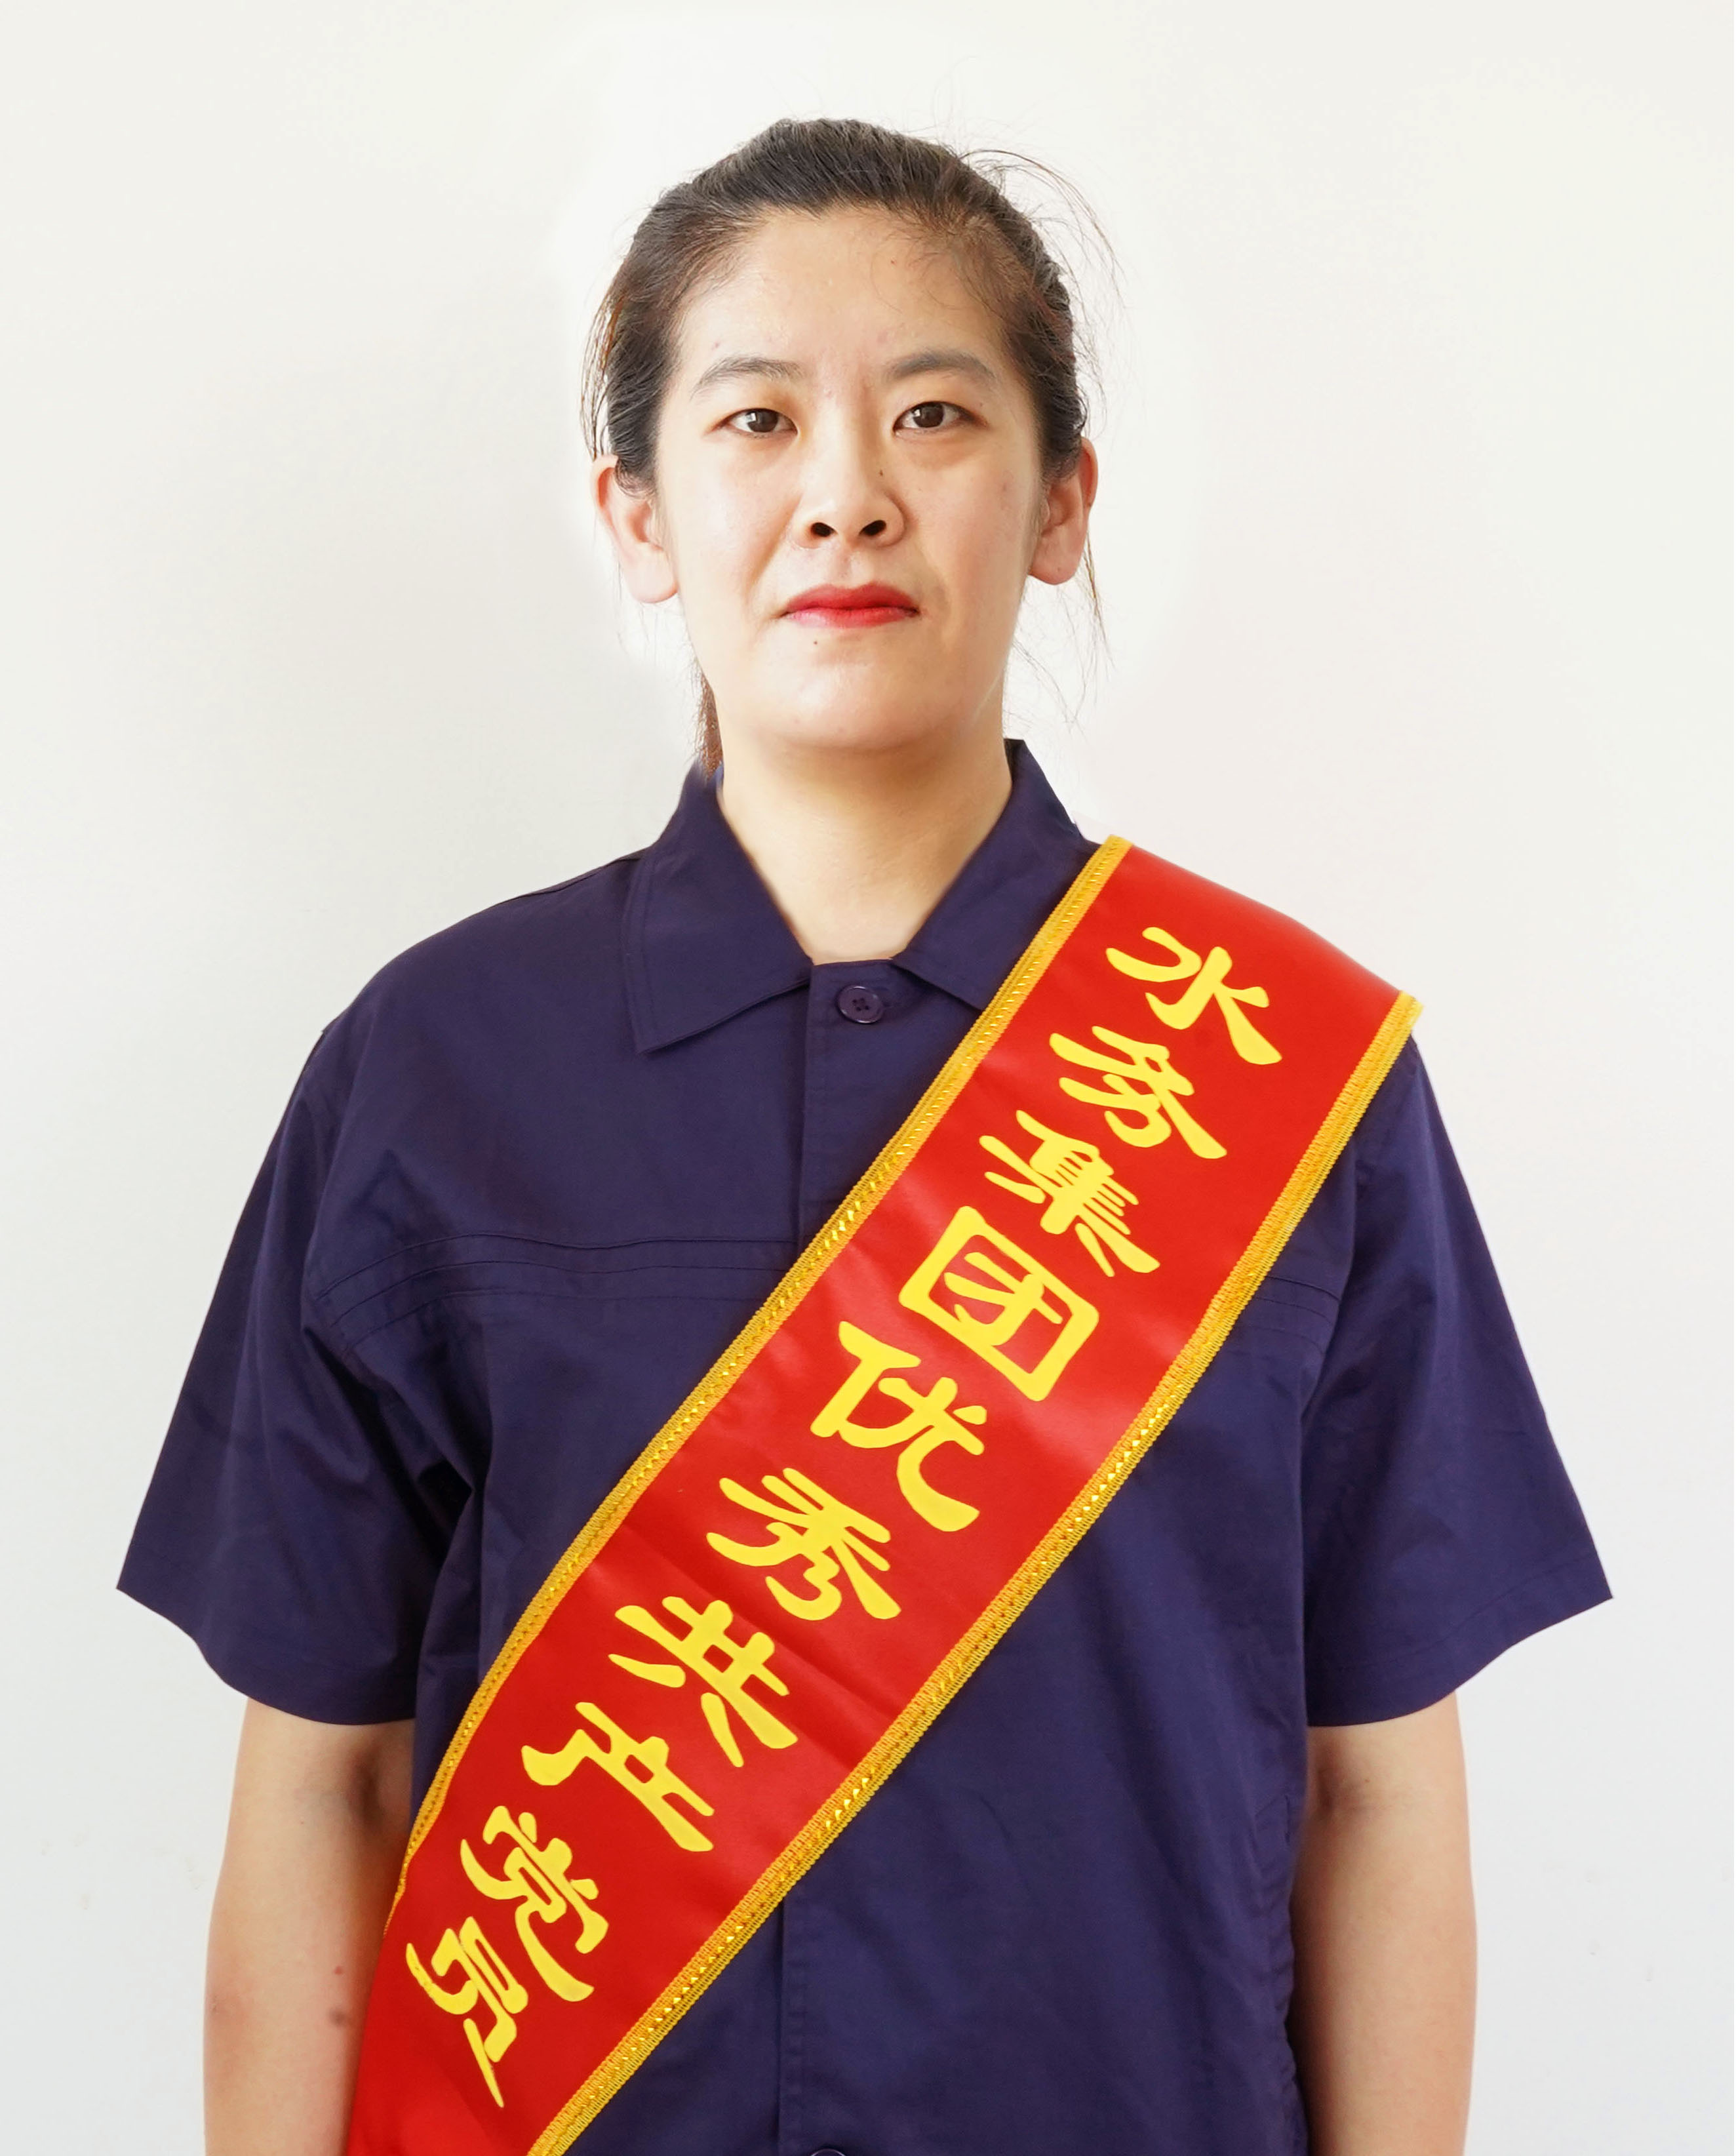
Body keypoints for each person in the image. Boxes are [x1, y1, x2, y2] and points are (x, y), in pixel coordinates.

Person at [121, 117, 1609, 2156]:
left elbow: (1379, 1792)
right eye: (755, 421)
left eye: (934, 414)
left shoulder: (1287, 1075)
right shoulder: (432, 1068)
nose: (846, 494)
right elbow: (321, 1783)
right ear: (637, 514)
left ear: (1062, 500)